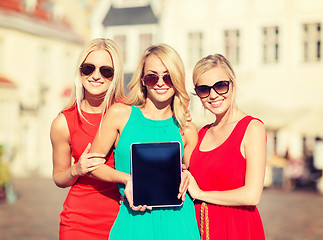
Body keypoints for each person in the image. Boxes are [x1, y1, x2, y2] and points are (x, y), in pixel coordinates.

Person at [89, 44, 200, 240]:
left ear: (177, 79)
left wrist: (188, 177)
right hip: (132, 220)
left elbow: (191, 173)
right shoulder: (119, 115)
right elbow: (92, 165)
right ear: (142, 80)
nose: (160, 83)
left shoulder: (187, 129)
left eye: (168, 76)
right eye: (152, 76)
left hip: (178, 223)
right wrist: (127, 179)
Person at [50, 38, 124, 239]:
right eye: (88, 68)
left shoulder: (130, 112)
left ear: (115, 75)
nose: (96, 76)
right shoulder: (63, 122)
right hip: (78, 223)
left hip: (124, 219)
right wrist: (76, 169)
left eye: (105, 70)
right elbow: (59, 177)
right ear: (80, 72)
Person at [188, 54, 266, 240]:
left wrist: (200, 194)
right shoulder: (201, 133)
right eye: (204, 89)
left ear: (233, 84)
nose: (213, 95)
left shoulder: (252, 128)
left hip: (237, 228)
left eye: (220, 86)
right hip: (200, 228)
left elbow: (252, 195)